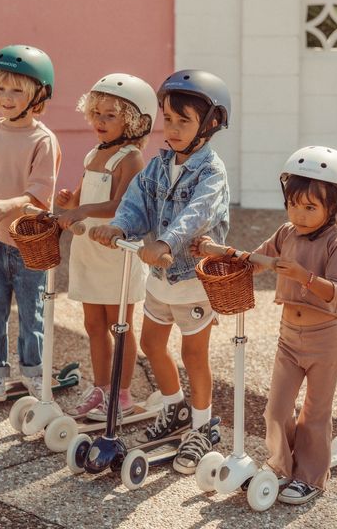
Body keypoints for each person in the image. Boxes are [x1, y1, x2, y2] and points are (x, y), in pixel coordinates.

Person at [191, 146, 337, 504]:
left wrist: (304, 276)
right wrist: (215, 250)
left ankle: (311, 477)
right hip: (288, 338)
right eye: (293, 204)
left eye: (310, 207)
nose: (299, 213)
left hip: (324, 339)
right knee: (276, 409)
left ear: (336, 207)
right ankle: (282, 467)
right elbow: (254, 261)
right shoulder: (286, 234)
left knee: (314, 413)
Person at [90, 69, 231, 474]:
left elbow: (196, 214)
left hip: (192, 280)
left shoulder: (211, 172)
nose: (171, 129)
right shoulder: (159, 163)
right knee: (152, 345)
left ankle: (204, 428)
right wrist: (120, 226)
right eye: (168, 120)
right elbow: (137, 200)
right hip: (160, 279)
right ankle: (175, 408)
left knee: (194, 354)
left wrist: (166, 242)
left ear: (211, 124)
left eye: (182, 122)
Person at [56, 74, 158, 420]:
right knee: (93, 323)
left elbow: (121, 206)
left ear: (133, 121)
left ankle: (123, 394)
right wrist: (73, 200)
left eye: (110, 115)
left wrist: (83, 209)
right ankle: (101, 387)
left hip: (116, 253)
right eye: (96, 113)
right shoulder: (93, 154)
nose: (99, 121)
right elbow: (85, 196)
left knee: (120, 325)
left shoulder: (130, 159)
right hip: (89, 248)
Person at [0, 44, 60, 400]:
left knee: (32, 317)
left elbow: (39, 194)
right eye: (0, 88)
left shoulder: (42, 140)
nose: (6, 96)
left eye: (17, 89)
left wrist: (8, 204)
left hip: (30, 244)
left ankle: (34, 374)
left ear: (38, 95)